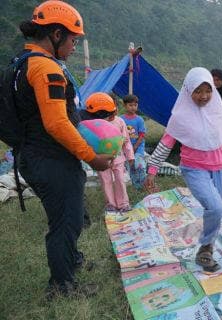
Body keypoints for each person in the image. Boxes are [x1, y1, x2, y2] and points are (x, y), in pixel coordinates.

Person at [15, 1, 112, 299]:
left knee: (64, 217)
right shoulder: (46, 68)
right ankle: (61, 286)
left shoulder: (24, 61)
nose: (73, 46)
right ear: (56, 35)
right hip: (50, 159)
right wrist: (92, 158)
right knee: (66, 221)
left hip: (35, 155)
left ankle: (71, 261)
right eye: (73, 40)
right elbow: (57, 124)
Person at [144, 67, 222, 272]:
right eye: (198, 91)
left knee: (215, 211)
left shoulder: (218, 113)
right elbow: (166, 144)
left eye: (207, 91)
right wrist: (152, 171)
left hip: (218, 168)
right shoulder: (181, 116)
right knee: (217, 208)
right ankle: (205, 248)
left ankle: (207, 247)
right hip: (193, 169)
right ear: (188, 90)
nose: (203, 96)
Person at [85, 92, 135, 213]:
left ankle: (123, 203)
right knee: (105, 180)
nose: (114, 113)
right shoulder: (95, 123)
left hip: (118, 158)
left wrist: (130, 156)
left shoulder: (120, 122)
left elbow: (126, 141)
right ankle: (110, 204)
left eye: (114, 109)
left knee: (120, 180)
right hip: (102, 159)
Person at [120, 94, 147, 189]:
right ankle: (136, 186)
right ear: (124, 105)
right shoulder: (121, 119)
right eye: (130, 105)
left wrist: (135, 146)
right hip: (125, 149)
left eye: (135, 105)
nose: (133, 107)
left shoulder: (139, 120)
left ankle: (144, 184)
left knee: (139, 165)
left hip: (138, 147)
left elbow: (142, 135)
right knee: (130, 166)